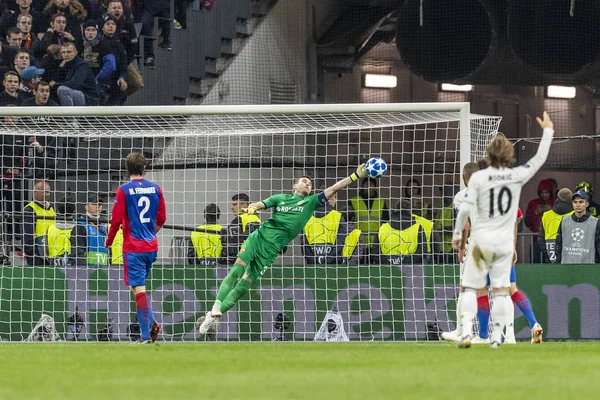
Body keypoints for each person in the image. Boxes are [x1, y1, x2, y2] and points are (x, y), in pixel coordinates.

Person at [199, 163, 370, 334]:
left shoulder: (310, 202)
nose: (308, 184)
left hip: (271, 251)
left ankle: (211, 318)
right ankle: (216, 306)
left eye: (310, 183)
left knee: (243, 287)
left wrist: (355, 175)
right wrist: (252, 207)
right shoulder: (280, 198)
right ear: (295, 186)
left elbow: (334, 188)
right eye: (304, 181)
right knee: (236, 271)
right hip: (259, 238)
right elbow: (260, 204)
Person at [452, 112, 554, 348]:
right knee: (503, 290)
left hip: (482, 241)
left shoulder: (477, 180)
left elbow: (465, 211)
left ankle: (472, 334)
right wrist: (547, 132)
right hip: (504, 244)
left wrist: (458, 236)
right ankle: (504, 337)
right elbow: (538, 159)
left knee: (473, 287)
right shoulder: (515, 176)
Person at [105, 152, 166, 344]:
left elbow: (115, 220)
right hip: (151, 247)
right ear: (144, 167)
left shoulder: (124, 190)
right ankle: (152, 322)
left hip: (133, 248)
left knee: (138, 289)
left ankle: (146, 336)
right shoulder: (155, 188)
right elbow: (162, 218)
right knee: (137, 288)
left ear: (127, 168)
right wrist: (151, 233)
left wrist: (109, 241)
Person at [441, 162, 480, 343]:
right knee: (496, 289)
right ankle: (497, 332)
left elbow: (465, 224)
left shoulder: (461, 196)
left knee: (465, 288)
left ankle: (462, 331)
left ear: (464, 177)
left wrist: (462, 246)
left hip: (474, 244)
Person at [370, 199, 428, 265]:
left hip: (386, 270)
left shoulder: (382, 228)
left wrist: (389, 261)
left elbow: (375, 252)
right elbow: (422, 251)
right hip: (411, 270)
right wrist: (407, 261)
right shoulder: (418, 228)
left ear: (393, 210)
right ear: (410, 212)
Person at [301, 190, 350, 265]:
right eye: (334, 197)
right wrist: (329, 259)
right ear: (328, 199)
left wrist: (313, 261)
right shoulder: (337, 216)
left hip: (313, 264)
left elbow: (304, 244)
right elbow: (341, 241)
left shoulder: (306, 217)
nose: (335, 200)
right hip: (334, 263)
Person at [554, 190, 600, 264]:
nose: (578, 205)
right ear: (572, 204)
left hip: (588, 268)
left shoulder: (595, 222)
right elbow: (558, 245)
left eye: (581, 202)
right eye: (575, 202)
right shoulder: (564, 221)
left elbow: (598, 247)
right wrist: (558, 265)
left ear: (587, 204)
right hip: (566, 268)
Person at [348, 177, 389, 254]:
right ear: (362, 186)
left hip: (377, 242)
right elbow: (348, 221)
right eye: (366, 184)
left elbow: (385, 221)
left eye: (371, 184)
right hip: (358, 241)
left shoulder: (381, 202)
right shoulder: (353, 201)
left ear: (375, 187)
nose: (369, 186)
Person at [49, 41, 99, 106]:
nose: (66, 55)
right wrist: (60, 68)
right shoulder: (65, 64)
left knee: (62, 90)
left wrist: (56, 85)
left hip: (88, 98)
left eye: (69, 52)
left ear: (76, 52)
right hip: (75, 93)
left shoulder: (82, 65)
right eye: (63, 52)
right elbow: (56, 80)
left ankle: (69, 116)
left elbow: (74, 84)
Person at [22, 179, 55, 266]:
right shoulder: (29, 209)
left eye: (47, 192)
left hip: (51, 252)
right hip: (37, 254)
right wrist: (33, 252)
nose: (45, 194)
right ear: (34, 192)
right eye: (42, 192)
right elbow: (27, 235)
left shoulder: (51, 208)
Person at [221, 193, 261, 264]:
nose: (232, 207)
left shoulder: (239, 219)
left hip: (242, 258)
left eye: (235, 204)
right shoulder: (257, 219)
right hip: (256, 258)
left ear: (245, 205)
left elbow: (232, 241)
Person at [72, 193, 109, 266]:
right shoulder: (80, 226)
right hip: (87, 272)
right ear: (86, 206)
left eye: (99, 204)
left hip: (104, 271)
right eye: (94, 204)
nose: (97, 206)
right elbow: (77, 253)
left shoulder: (104, 227)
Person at [538, 188, 573, 263]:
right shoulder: (575, 215)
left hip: (550, 252)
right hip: (571, 255)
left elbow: (540, 238)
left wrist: (546, 254)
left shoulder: (546, 215)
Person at [46, 196, 76, 266]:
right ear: (74, 211)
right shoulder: (79, 229)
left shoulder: (50, 228)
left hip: (54, 265)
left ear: (58, 211)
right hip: (74, 267)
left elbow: (46, 249)